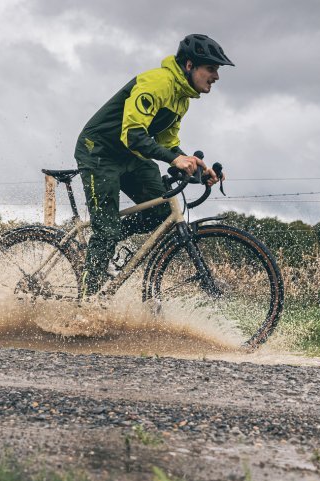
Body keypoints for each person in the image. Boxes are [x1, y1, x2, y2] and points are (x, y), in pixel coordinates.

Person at [74, 34, 234, 296]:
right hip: (99, 152)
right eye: (212, 68)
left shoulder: (181, 98)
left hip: (130, 155)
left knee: (160, 213)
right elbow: (133, 134)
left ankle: (106, 242)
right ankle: (85, 302)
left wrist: (198, 172)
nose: (216, 76)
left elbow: (168, 144)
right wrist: (174, 158)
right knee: (106, 229)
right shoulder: (157, 82)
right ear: (190, 65)